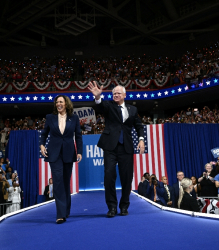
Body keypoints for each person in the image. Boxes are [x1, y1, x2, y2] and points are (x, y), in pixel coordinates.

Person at [88, 82, 145, 217]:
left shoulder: (132, 110)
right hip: (110, 147)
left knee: (127, 178)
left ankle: (124, 206)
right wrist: (97, 97)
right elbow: (101, 105)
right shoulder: (109, 106)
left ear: (125, 95)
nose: (116, 95)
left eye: (118, 93)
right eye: (114, 93)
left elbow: (138, 126)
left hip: (126, 147)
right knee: (109, 177)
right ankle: (112, 207)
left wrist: (141, 139)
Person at [40, 95, 83, 224]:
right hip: (54, 154)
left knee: (65, 182)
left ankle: (66, 210)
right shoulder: (50, 117)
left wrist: (79, 152)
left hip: (69, 153)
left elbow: (79, 136)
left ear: (66, 104)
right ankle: (60, 214)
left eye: (61, 102)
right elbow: (44, 133)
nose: (58, 104)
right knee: (57, 182)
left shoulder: (74, 118)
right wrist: (42, 145)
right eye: (57, 102)